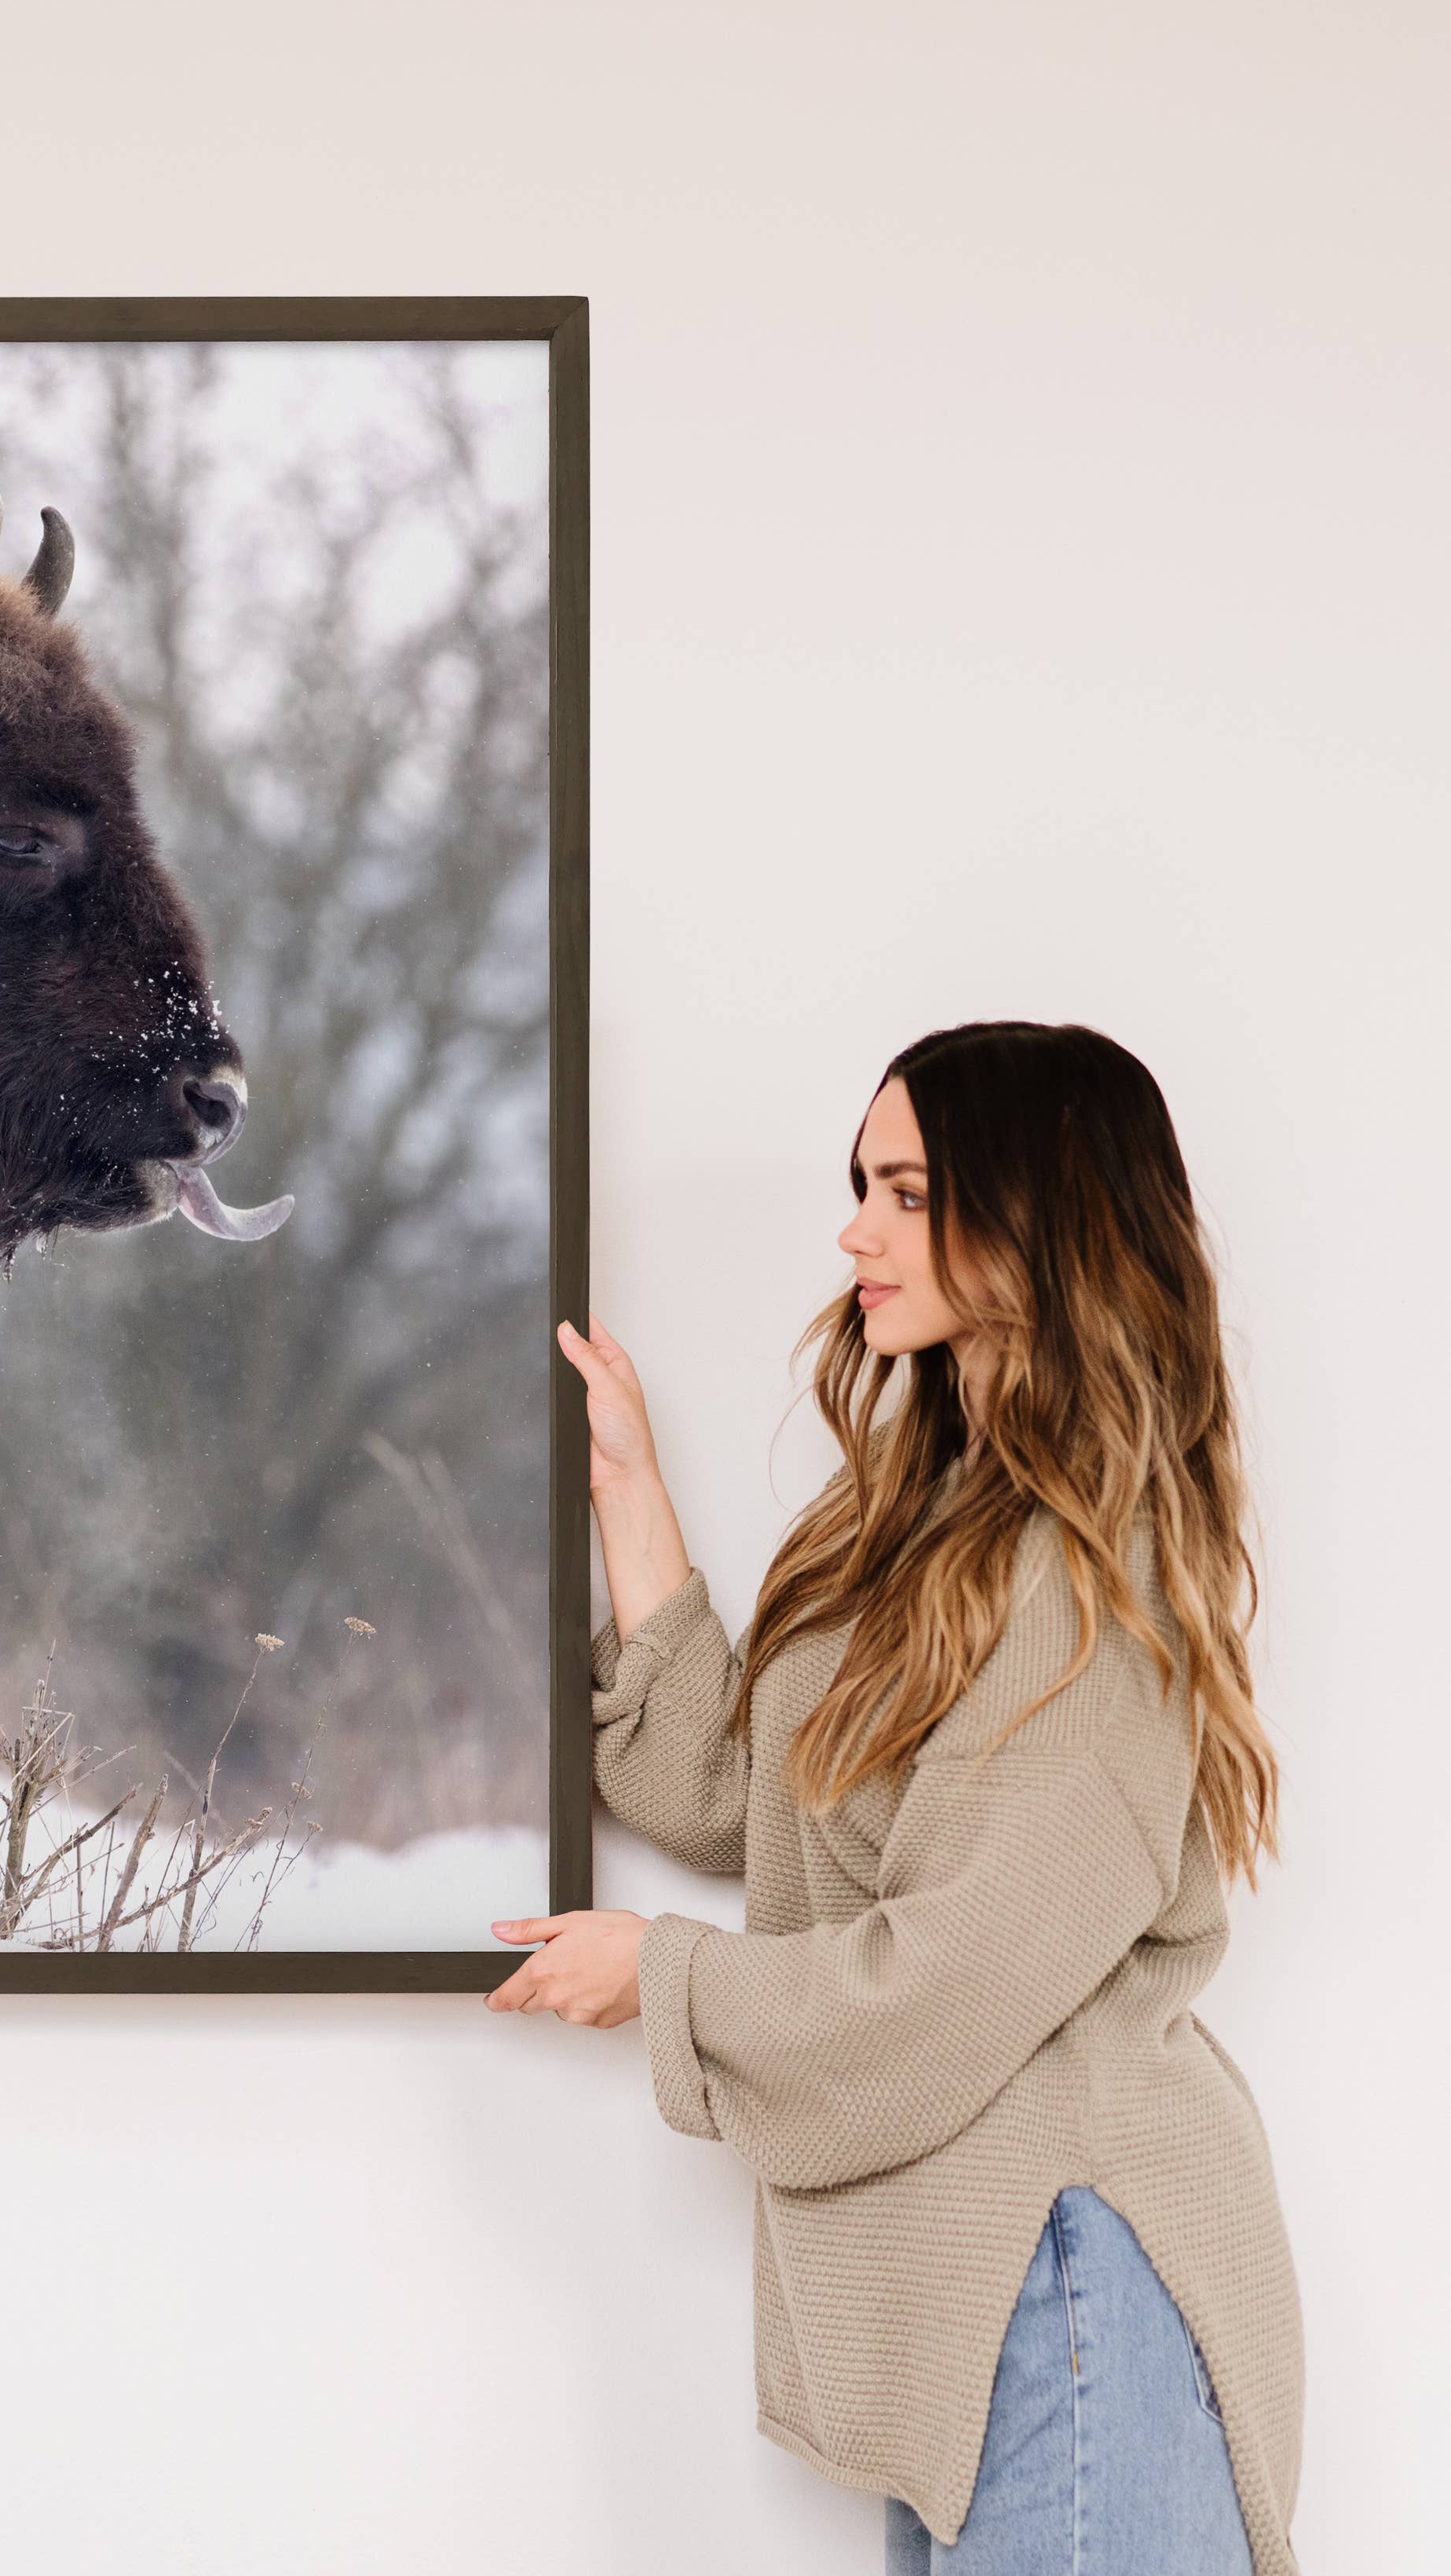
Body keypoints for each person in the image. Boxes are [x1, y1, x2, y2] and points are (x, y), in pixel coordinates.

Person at [486, 1023, 1301, 2575]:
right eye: (862, 1185)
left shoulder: (1086, 1588)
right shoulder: (929, 1528)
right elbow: (754, 1798)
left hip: (1070, 2294)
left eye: (910, 1193)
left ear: (1039, 1215)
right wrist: (628, 1493)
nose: (858, 1231)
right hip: (984, 2310)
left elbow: (948, 1983)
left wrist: (661, 1976)